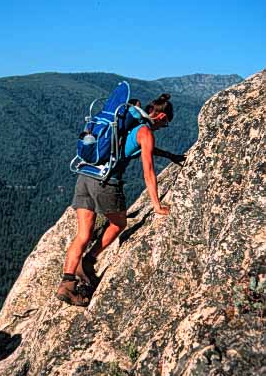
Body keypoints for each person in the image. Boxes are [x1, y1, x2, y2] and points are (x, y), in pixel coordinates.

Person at [56, 94, 185, 306]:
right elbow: (148, 171)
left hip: (85, 176)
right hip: (106, 183)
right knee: (119, 224)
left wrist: (170, 155)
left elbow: (139, 147)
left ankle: (67, 283)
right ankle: (89, 260)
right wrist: (157, 205)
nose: (163, 127)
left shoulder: (125, 124)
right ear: (161, 116)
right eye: (166, 123)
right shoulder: (145, 132)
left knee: (83, 234)